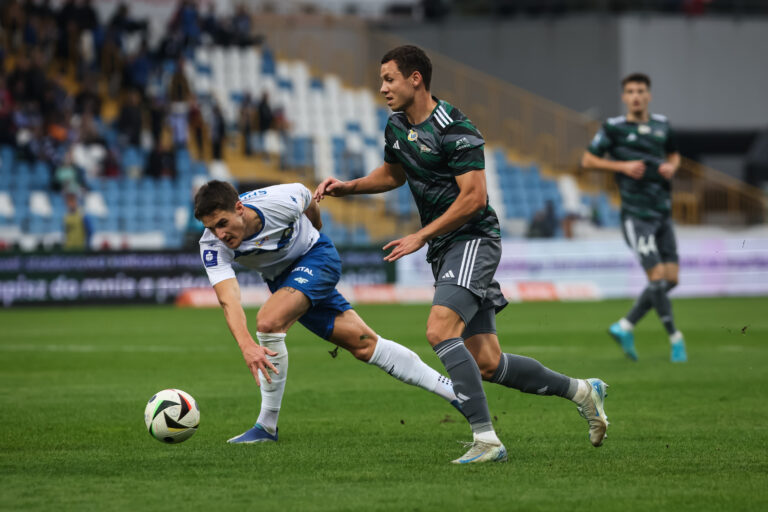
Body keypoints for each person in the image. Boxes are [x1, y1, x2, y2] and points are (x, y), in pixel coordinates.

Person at [314, 45, 608, 464]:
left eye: (389, 79)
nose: (382, 88)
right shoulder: (397, 125)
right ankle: (583, 391)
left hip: (472, 239)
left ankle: (487, 439)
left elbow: (474, 198)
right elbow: (395, 173)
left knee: (439, 330)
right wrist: (349, 186)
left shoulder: (457, 127)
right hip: (447, 246)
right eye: (382, 80)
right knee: (487, 361)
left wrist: (420, 235)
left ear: (416, 79)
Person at [194, 180, 460, 444]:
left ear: (239, 208)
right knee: (364, 345)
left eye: (222, 224)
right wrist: (246, 346)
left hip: (317, 257)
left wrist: (316, 229)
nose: (219, 234)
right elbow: (229, 299)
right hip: (284, 280)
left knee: (268, 321)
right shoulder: (212, 246)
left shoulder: (278, 201)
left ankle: (266, 425)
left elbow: (308, 198)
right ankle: (456, 392)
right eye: (211, 228)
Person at [580, 72, 687, 363]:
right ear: (624, 97)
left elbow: (674, 155)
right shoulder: (614, 128)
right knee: (656, 277)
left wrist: (671, 167)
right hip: (636, 215)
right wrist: (622, 167)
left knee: (671, 279)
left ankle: (625, 326)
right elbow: (587, 160)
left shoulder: (662, 125)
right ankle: (676, 338)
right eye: (631, 91)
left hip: (662, 212)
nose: (636, 96)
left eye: (641, 90)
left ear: (648, 95)